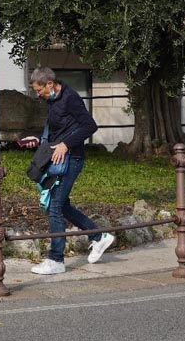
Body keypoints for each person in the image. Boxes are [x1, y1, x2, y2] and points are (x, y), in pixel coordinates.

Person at [18, 66, 114, 275]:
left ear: (50, 84)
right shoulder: (52, 100)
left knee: (54, 206)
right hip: (58, 159)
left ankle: (56, 260)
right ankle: (99, 237)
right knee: (62, 206)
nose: (37, 94)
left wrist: (65, 144)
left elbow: (90, 126)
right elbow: (58, 130)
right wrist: (39, 140)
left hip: (71, 160)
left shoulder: (71, 98)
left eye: (39, 90)